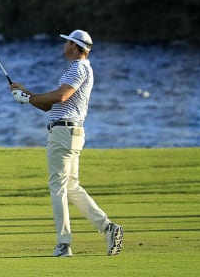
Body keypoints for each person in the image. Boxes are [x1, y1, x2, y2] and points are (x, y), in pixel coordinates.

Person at [9, 29, 123, 257]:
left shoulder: (78, 68)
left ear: (74, 46)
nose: (64, 46)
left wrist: (29, 98)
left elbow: (61, 96)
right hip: (69, 132)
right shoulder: (78, 69)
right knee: (70, 186)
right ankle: (108, 228)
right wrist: (26, 94)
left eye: (67, 42)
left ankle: (63, 244)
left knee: (58, 187)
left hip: (64, 133)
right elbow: (49, 105)